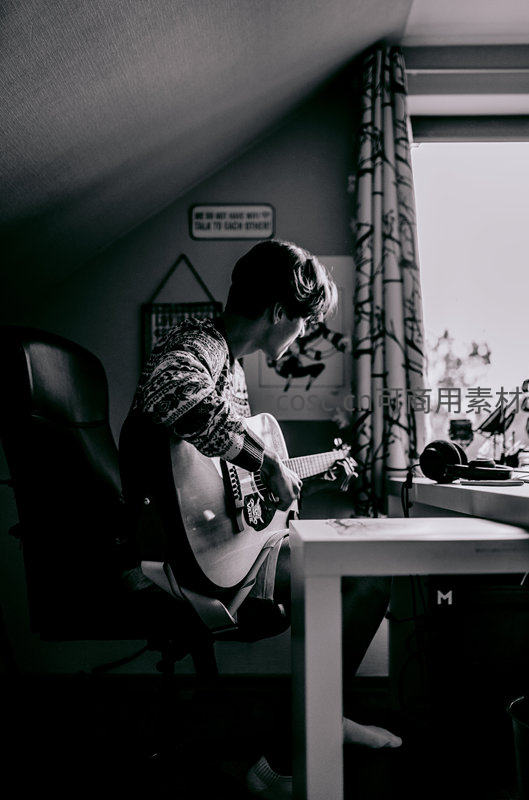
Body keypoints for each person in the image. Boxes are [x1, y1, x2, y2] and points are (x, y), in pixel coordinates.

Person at [124, 240, 400, 799]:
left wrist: (284, 485)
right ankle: (286, 758)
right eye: (303, 320)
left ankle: (324, 716)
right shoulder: (196, 345)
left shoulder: (231, 367)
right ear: (278, 312)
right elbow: (176, 398)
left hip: (213, 546)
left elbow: (232, 493)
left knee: (362, 570)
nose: (303, 333)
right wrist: (269, 462)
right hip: (172, 559)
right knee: (364, 579)